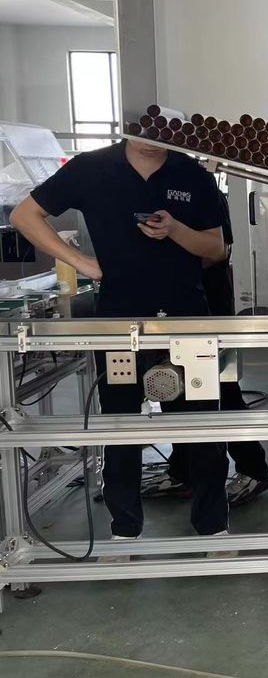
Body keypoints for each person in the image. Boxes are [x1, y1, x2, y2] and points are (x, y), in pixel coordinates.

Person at [11, 137, 230, 548]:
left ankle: (213, 527)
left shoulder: (191, 173)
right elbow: (25, 215)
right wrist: (83, 263)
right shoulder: (91, 168)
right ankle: (125, 531)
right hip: (118, 320)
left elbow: (216, 248)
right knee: (119, 426)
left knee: (202, 428)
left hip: (186, 317)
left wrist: (175, 229)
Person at [141, 184, 268, 506]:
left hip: (206, 301)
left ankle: (252, 469)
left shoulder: (197, 185)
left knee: (220, 389)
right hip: (167, 303)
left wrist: (167, 255)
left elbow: (217, 250)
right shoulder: (147, 189)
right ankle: (184, 470)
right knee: (173, 389)